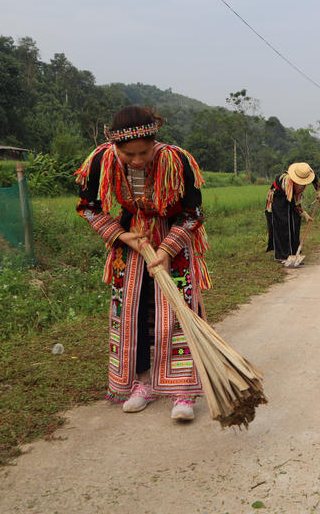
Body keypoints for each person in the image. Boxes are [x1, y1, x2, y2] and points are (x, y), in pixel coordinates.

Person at [75, 105, 210, 421]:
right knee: (132, 313)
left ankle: (183, 391)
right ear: (115, 147)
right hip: (130, 240)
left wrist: (167, 248)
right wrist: (121, 236)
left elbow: (195, 214)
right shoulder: (101, 160)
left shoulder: (177, 160)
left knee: (178, 310)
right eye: (129, 155)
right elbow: (87, 207)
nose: (138, 161)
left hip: (173, 238)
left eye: (144, 153)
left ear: (155, 142)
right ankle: (143, 383)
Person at [266, 162, 319, 262]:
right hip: (279, 199)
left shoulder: (307, 172)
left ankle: (294, 251)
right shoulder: (287, 181)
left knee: (295, 222)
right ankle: (283, 255)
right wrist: (303, 213)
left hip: (291, 199)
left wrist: (318, 191)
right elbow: (293, 202)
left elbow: (315, 179)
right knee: (284, 225)